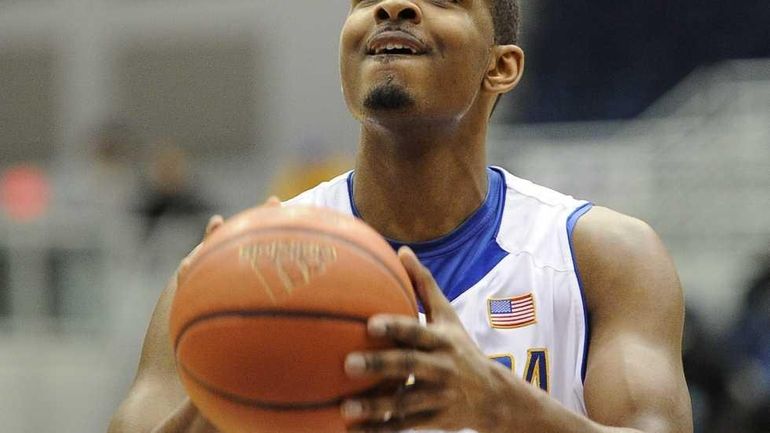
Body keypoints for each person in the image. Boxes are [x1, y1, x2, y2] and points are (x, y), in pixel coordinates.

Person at [108, 1, 693, 432]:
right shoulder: (225, 278)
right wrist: (220, 405)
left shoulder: (602, 256)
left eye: (440, 0)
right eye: (367, 0)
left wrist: (505, 407)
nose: (393, 7)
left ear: (502, 67)